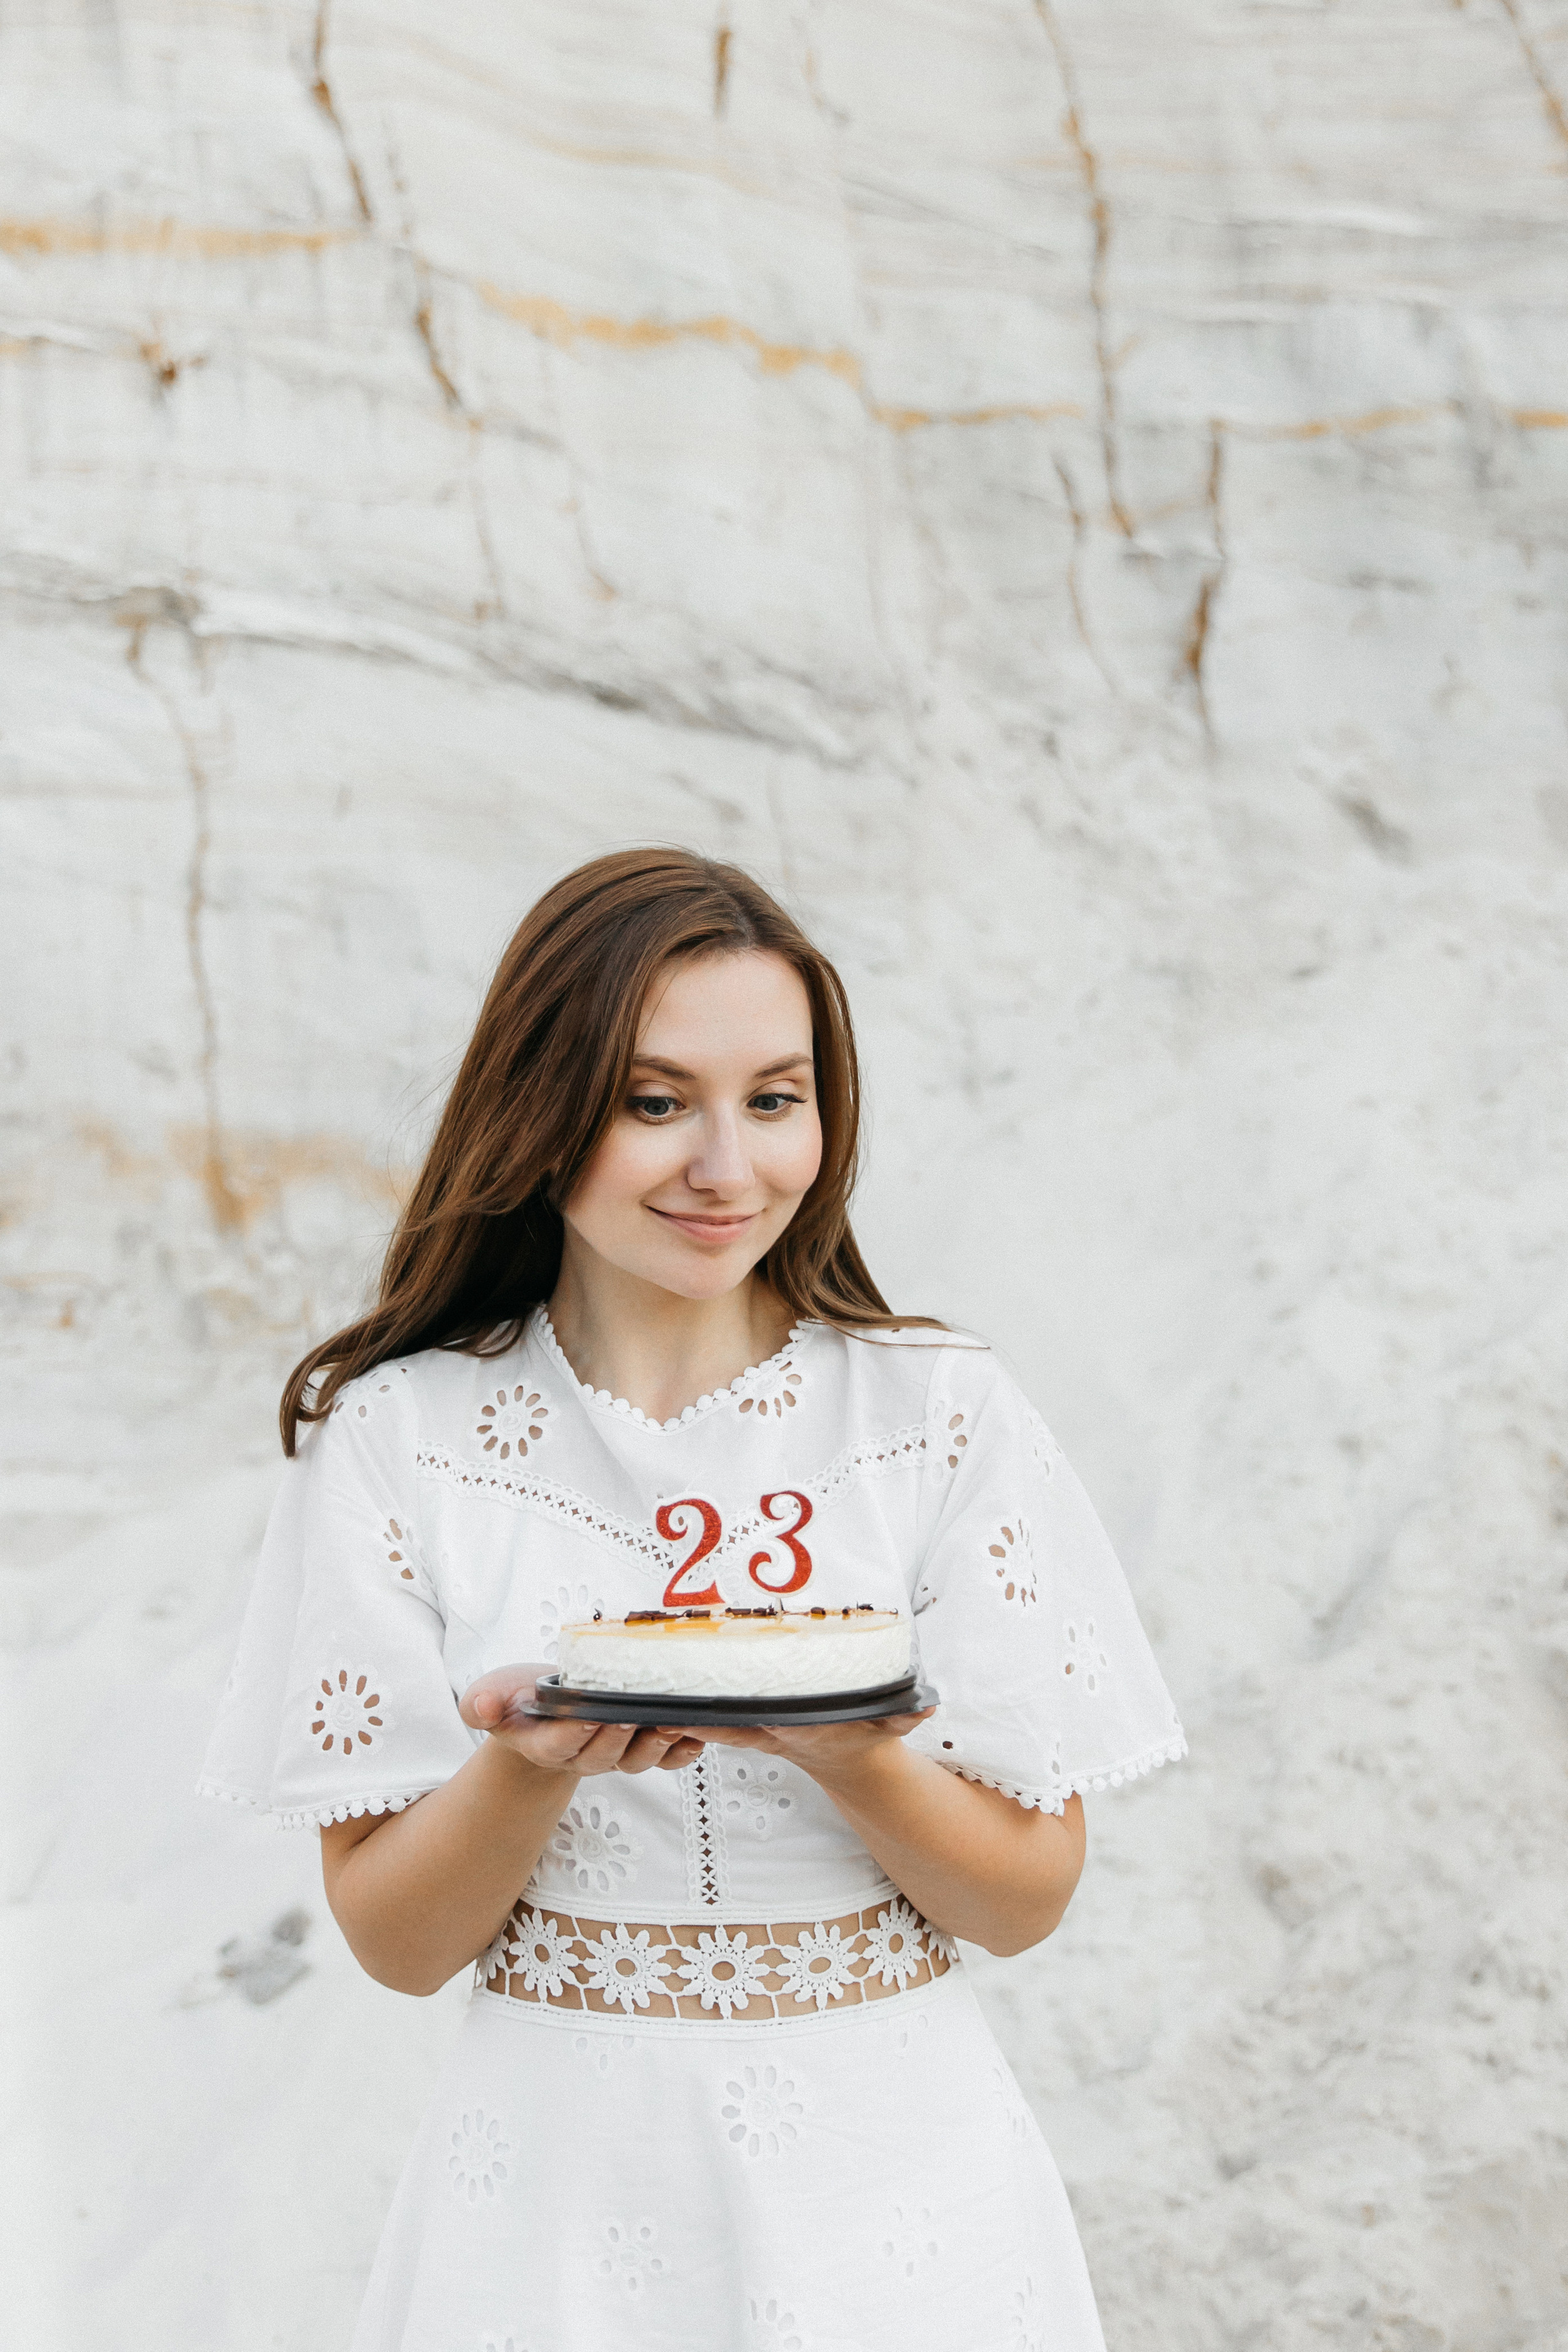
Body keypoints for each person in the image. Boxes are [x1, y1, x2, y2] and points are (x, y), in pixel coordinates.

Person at [200, 847, 1186, 2352]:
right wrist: (522, 1771)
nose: (727, 1168)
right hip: (546, 2197)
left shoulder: (934, 1413)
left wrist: (854, 1754)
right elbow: (397, 1947)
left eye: (774, 1100)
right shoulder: (401, 1441)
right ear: (538, 1114)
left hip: (898, 2193)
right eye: (655, 1102)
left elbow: (1022, 1898)